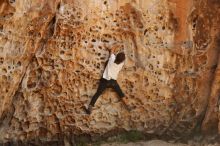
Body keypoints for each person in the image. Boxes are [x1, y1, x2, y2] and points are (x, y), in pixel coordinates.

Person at [84, 45, 129, 114]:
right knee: (121, 94)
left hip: (105, 81)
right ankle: (128, 106)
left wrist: (116, 45)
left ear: (116, 57)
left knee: (97, 94)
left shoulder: (111, 59)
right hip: (113, 82)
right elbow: (120, 59)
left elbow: (112, 50)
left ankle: (90, 109)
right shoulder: (121, 64)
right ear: (122, 60)